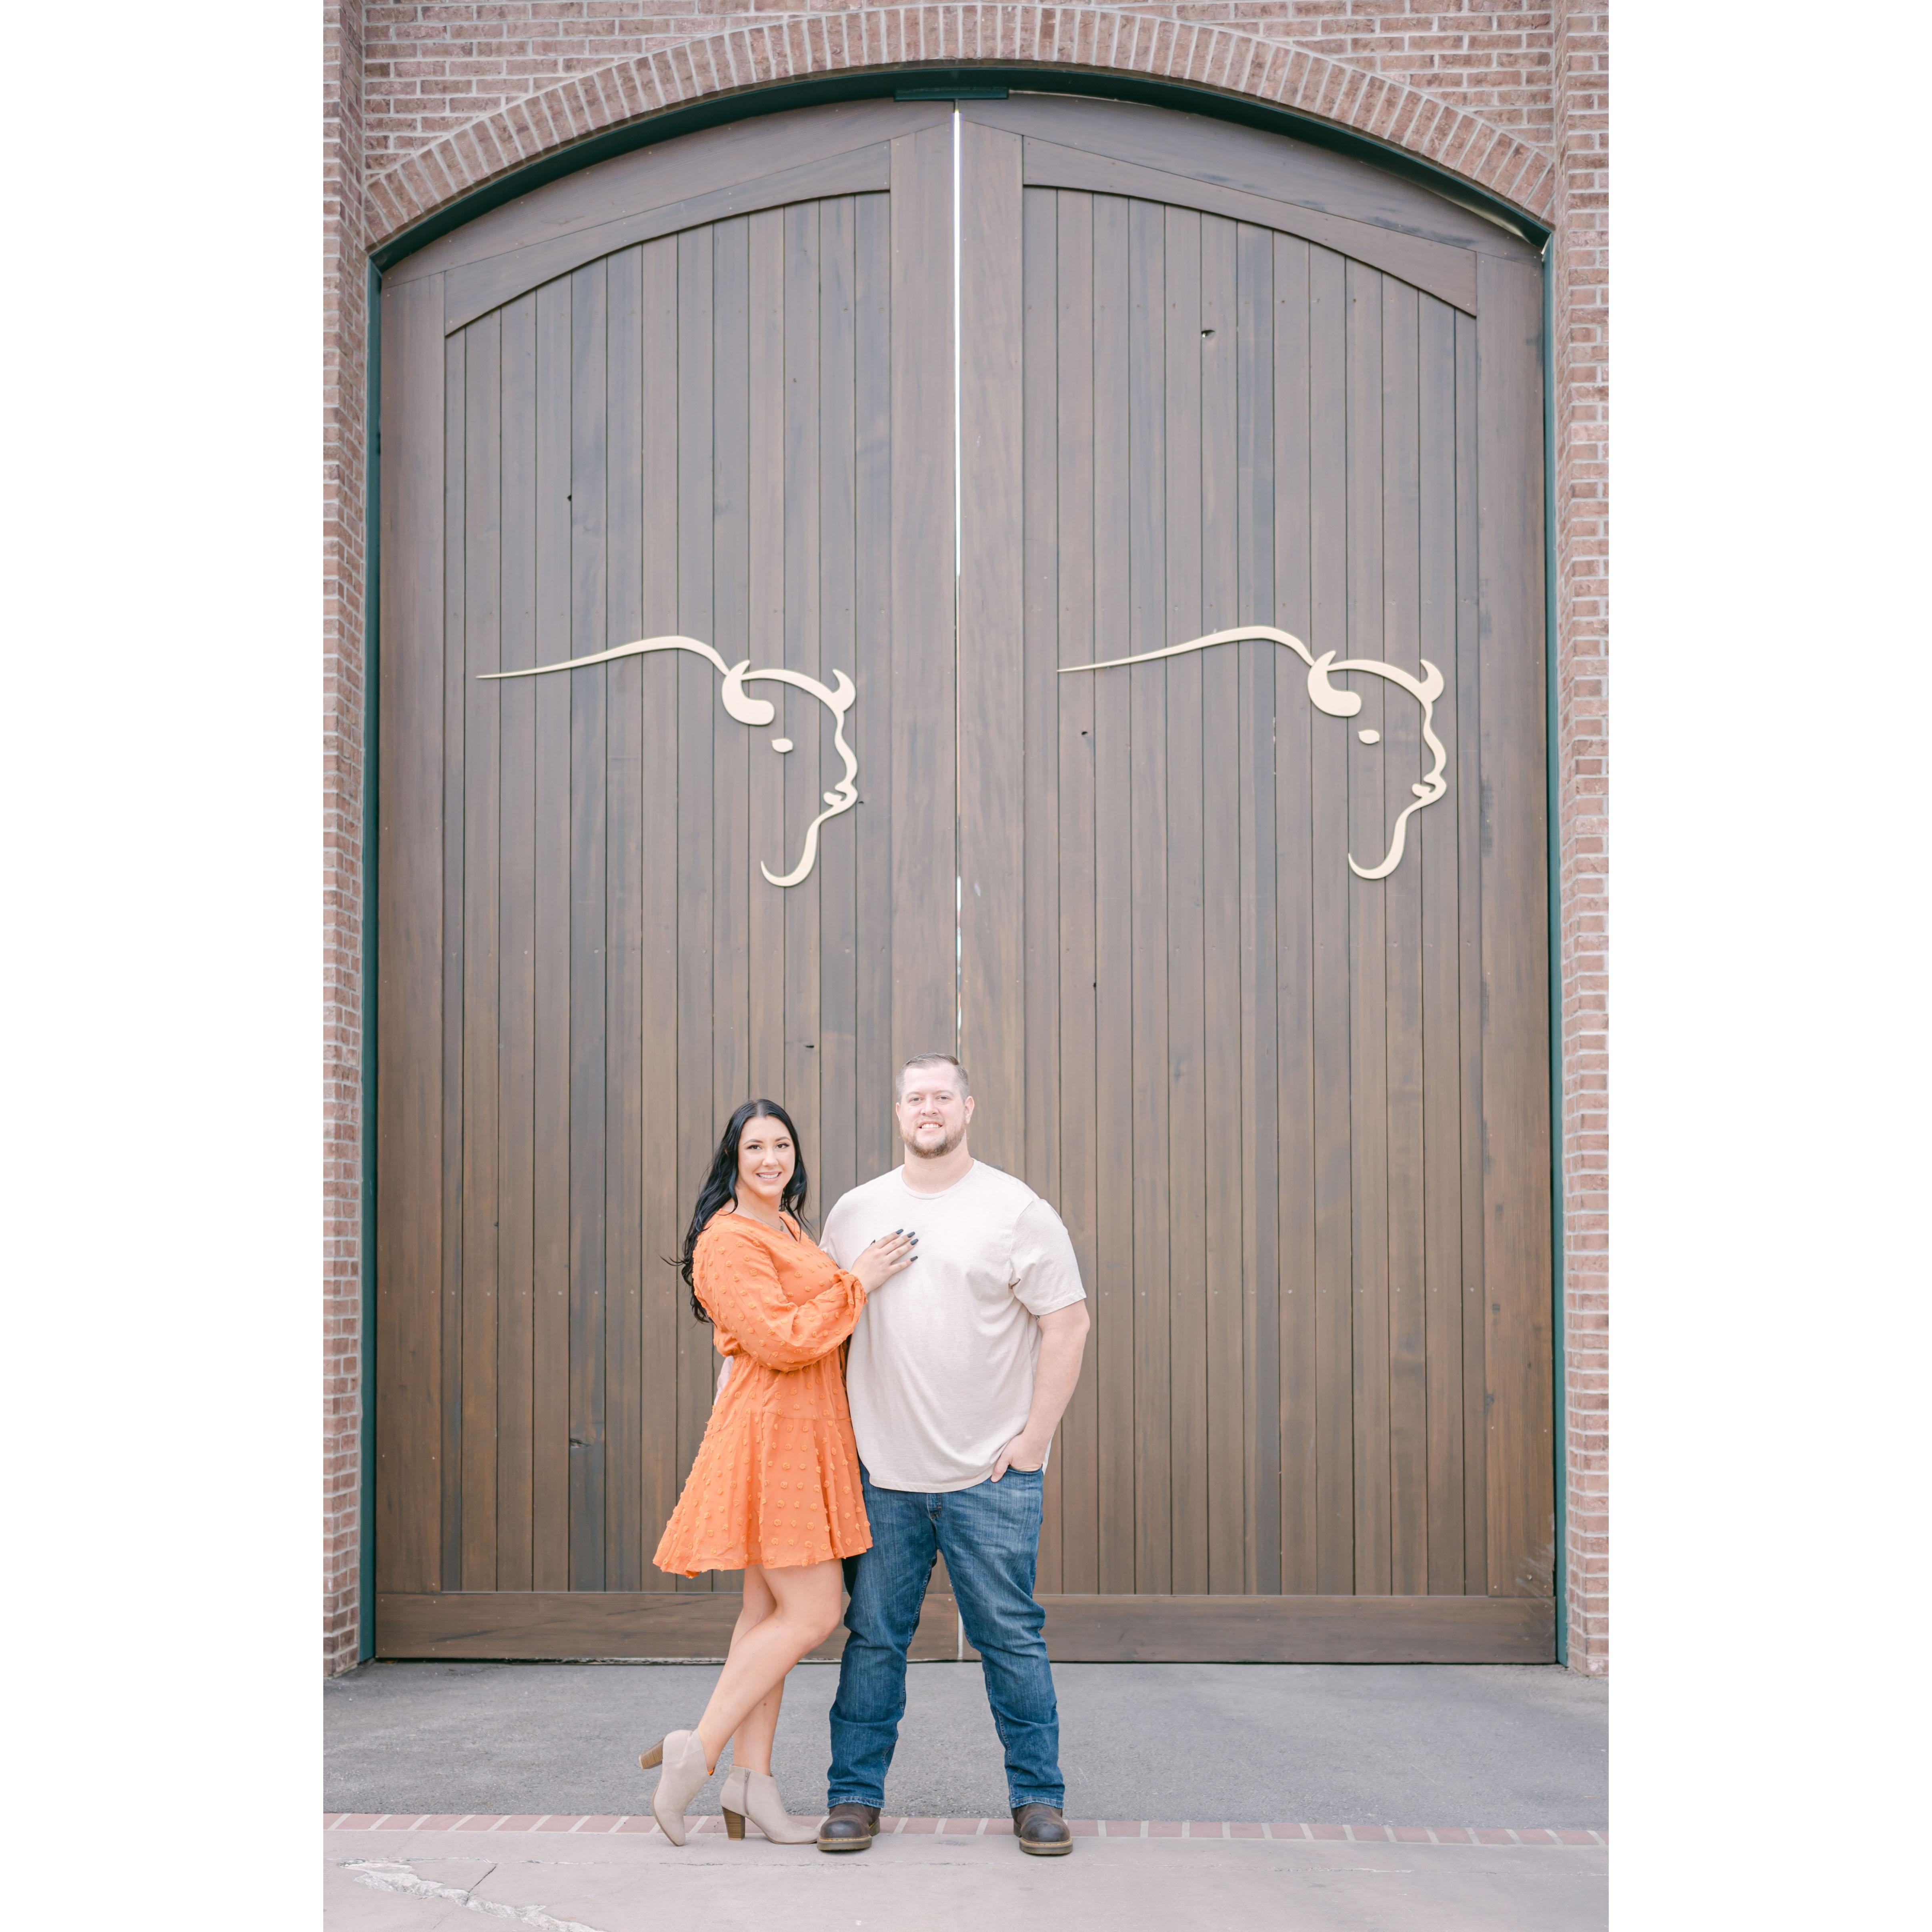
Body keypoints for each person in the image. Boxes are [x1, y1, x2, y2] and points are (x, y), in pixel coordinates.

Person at [817, 1055, 1091, 1857]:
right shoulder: (855, 1212)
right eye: (915, 1097)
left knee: (1010, 1636)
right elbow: (825, 1321)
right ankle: (853, 1798)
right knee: (873, 1640)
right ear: (898, 1112)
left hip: (992, 1479)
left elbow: (1067, 1323)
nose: (928, 1108)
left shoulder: (1015, 1210)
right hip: (883, 1476)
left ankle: (1038, 1799)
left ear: (968, 1107)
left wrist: (1034, 1438)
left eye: (942, 1095)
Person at [639, 1099, 917, 1845]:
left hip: (809, 1432)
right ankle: (693, 1752)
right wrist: (858, 1280)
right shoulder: (725, 1240)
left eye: (782, 1144)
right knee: (815, 1610)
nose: (770, 1158)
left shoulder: (787, 1226)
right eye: (755, 1145)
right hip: (772, 1435)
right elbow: (784, 1338)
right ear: (732, 1156)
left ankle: (752, 1783)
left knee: (766, 1616)